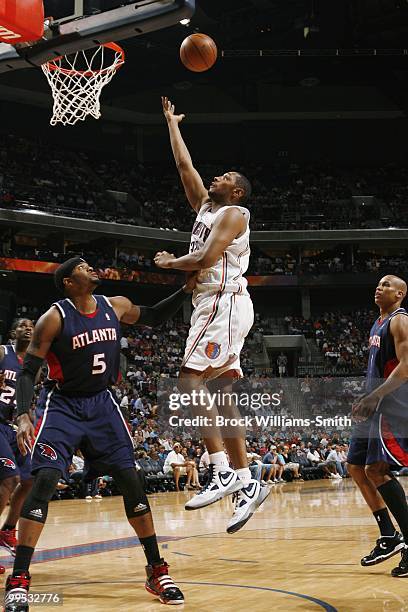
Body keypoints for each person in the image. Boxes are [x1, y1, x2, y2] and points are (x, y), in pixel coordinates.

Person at [4, 257, 196, 611]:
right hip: (63, 405)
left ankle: (157, 570)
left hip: (102, 405)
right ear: (68, 282)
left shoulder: (115, 306)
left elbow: (152, 316)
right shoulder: (54, 317)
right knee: (43, 480)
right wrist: (24, 416)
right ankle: (18, 578)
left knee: (131, 480)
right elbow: (29, 371)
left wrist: (184, 290)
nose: (92, 269)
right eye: (83, 267)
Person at [155, 97, 270, 534]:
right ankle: (245, 482)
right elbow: (185, 168)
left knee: (188, 381)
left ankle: (220, 468)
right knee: (223, 395)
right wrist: (172, 125)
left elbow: (204, 256)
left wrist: (170, 264)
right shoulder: (207, 207)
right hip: (219, 303)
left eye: (222, 178)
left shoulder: (234, 213)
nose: (214, 179)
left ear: (236, 191)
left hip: (221, 301)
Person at [350, 275, 408, 576]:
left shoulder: (400, 321)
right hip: (374, 404)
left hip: (393, 407)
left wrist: (373, 398)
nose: (379, 286)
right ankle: (388, 534)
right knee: (355, 467)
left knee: (377, 470)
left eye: (386, 284)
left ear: (399, 293)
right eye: (378, 283)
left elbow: (406, 366)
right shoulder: (377, 323)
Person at [0, 319, 35, 568]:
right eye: (23, 325)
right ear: (14, 332)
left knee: (31, 479)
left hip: (14, 427)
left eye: (32, 325)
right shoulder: (3, 352)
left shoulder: (34, 365)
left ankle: (7, 530)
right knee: (9, 480)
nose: (29, 328)